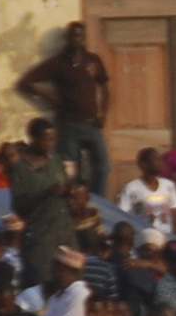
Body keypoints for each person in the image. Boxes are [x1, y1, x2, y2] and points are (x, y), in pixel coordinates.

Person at [15, 22, 112, 192]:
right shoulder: (57, 63)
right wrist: (50, 99)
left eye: (80, 36)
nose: (77, 40)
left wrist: (103, 113)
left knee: (103, 166)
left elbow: (104, 88)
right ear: (67, 39)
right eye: (73, 36)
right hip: (68, 125)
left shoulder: (93, 60)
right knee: (70, 171)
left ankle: (100, 202)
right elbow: (25, 83)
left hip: (92, 124)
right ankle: (73, 204)